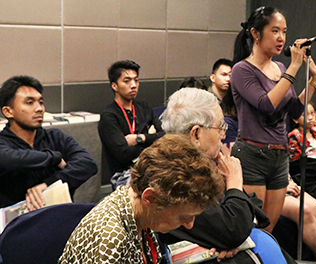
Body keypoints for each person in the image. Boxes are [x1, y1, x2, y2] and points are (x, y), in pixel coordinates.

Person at [161, 88, 290, 263]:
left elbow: (254, 209)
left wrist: (235, 232)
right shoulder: (173, 178)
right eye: (220, 126)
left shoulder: (206, 165)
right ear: (196, 134)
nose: (224, 134)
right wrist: (235, 181)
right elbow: (233, 229)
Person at [59, 134, 225, 263]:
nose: (190, 225)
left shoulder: (139, 212)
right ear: (151, 197)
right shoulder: (110, 239)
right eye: (184, 217)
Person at [231, 6, 316, 233]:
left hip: (279, 156)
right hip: (252, 155)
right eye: (274, 31)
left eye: (284, 32)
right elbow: (265, 104)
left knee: (269, 230)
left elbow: (294, 110)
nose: (281, 38)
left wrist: (313, 81)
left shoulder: (280, 67)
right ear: (255, 34)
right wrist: (294, 67)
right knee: (253, 230)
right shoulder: (242, 70)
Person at [0, 75, 97, 209]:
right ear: (8, 111)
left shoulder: (55, 137)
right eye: (29, 102)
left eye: (40, 102)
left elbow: (87, 164)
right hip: (15, 224)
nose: (39, 108)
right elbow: (8, 159)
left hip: (57, 217)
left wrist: (49, 184)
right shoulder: (3, 142)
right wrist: (54, 158)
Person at [98, 60, 164, 188]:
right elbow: (123, 155)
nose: (133, 85)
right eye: (127, 81)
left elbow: (165, 136)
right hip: (125, 175)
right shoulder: (109, 116)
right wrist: (151, 139)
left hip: (152, 168)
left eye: (136, 80)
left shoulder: (144, 107)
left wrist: (140, 138)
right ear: (114, 86)